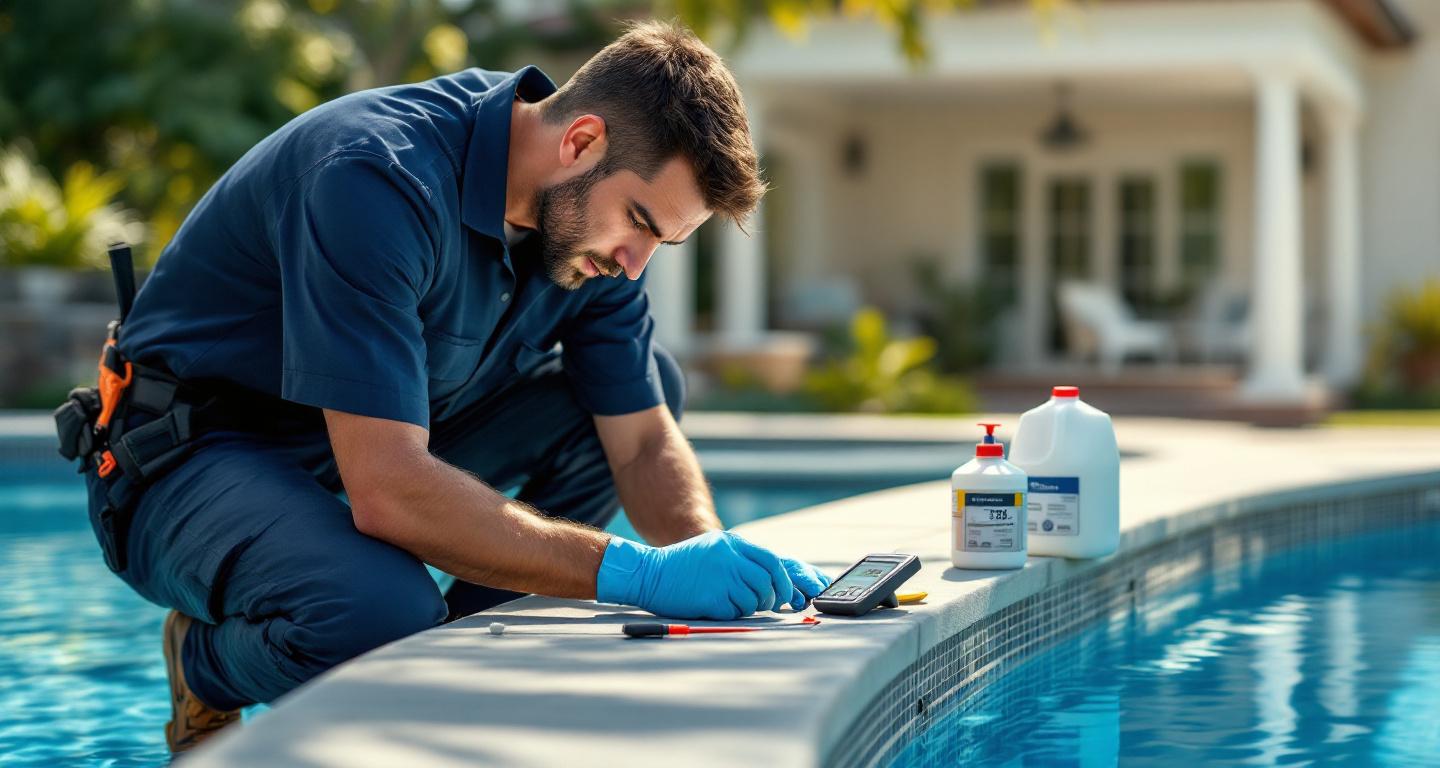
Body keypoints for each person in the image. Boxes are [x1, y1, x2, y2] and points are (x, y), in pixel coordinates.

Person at [66, 21, 831, 753]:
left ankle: (450, 666)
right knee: (380, 614)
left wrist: (714, 562)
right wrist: (637, 573)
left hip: (350, 449)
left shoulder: (587, 234)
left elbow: (639, 443)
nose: (636, 263)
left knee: (623, 397)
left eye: (660, 241)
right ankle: (207, 664)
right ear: (581, 141)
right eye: (638, 223)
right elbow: (389, 489)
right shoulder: (375, 177)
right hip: (182, 462)